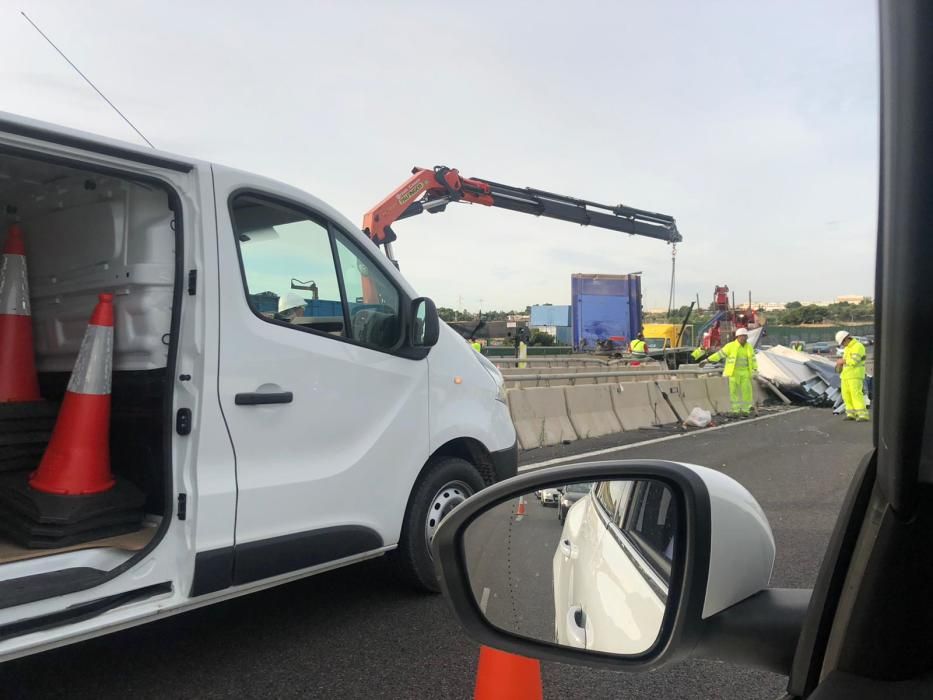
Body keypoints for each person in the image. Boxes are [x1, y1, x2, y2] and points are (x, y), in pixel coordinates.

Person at [706, 327, 757, 416]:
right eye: (742, 336)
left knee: (747, 391)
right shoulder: (730, 346)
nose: (744, 338)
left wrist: (755, 369)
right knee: (734, 392)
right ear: (737, 337)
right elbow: (719, 354)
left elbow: (753, 359)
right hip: (733, 372)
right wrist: (708, 360)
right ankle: (736, 411)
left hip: (745, 372)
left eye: (745, 336)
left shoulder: (749, 347)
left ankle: (746, 410)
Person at [835, 331, 869, 421]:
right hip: (846, 375)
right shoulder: (847, 348)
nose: (842, 345)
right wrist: (841, 364)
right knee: (846, 395)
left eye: (842, 342)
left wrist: (842, 361)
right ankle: (851, 413)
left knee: (856, 394)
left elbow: (854, 361)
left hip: (855, 374)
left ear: (846, 339)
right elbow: (846, 361)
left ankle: (862, 414)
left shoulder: (858, 346)